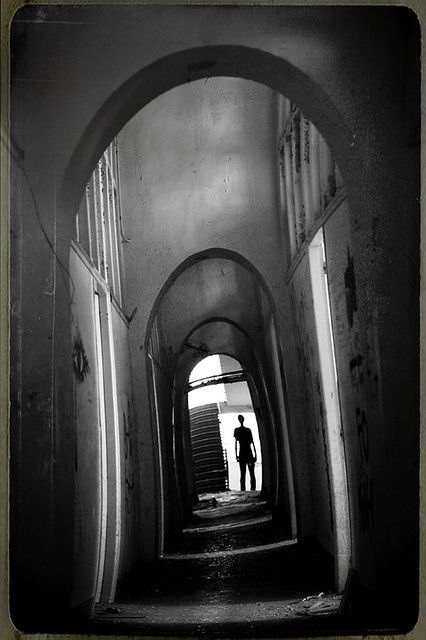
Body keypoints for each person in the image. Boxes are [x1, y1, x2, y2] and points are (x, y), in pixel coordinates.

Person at [234, 414, 257, 491]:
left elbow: (236, 443)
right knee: (247, 473)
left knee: (246, 473)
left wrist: (236, 455)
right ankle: (249, 489)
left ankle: (247, 489)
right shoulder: (246, 430)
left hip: (244, 453)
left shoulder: (239, 430)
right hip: (246, 453)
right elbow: (236, 444)